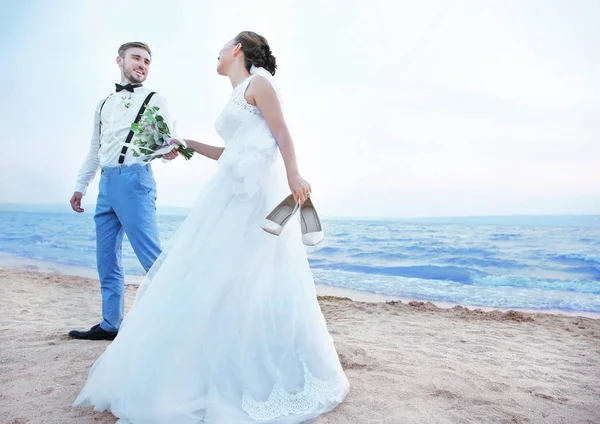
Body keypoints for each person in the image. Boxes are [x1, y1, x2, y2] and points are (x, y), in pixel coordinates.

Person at [74, 31, 349, 423]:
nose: (217, 54)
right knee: (216, 276)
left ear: (237, 49)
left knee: (244, 276)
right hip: (230, 191)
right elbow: (231, 151)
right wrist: (188, 143)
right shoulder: (237, 93)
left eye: (222, 48)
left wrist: (294, 174)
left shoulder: (259, 83)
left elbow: (281, 131)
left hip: (253, 195)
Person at [69, 42, 179, 341]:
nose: (142, 64)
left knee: (151, 256)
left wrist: (169, 150)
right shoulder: (103, 103)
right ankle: (110, 324)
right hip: (105, 183)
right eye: (136, 58)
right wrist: (82, 185)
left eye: (147, 61)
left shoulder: (156, 99)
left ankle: (183, 318)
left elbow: (166, 140)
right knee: (106, 258)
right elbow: (95, 148)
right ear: (120, 60)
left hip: (135, 182)